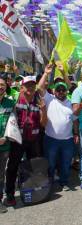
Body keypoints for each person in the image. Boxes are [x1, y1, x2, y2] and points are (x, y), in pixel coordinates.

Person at [5, 75, 47, 206]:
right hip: (17, 140)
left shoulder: (38, 100)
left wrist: (43, 109)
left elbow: (43, 124)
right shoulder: (15, 99)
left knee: (33, 167)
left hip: (33, 140)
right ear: (21, 87)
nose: (30, 87)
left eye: (32, 85)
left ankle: (33, 191)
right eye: (27, 85)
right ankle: (10, 194)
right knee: (12, 167)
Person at [38, 64, 79, 191]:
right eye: (58, 90)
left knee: (66, 163)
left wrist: (76, 133)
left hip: (68, 140)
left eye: (63, 90)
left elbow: (75, 120)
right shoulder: (50, 99)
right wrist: (46, 73)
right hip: (51, 139)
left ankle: (64, 181)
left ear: (66, 91)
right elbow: (39, 87)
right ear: (54, 91)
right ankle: (49, 182)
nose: (61, 92)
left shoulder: (71, 102)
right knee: (50, 164)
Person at [0, 73, 15, 213]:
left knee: (1, 175)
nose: (0, 87)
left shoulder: (10, 103)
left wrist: (6, 137)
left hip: (4, 145)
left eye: (2, 85)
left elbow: (13, 124)